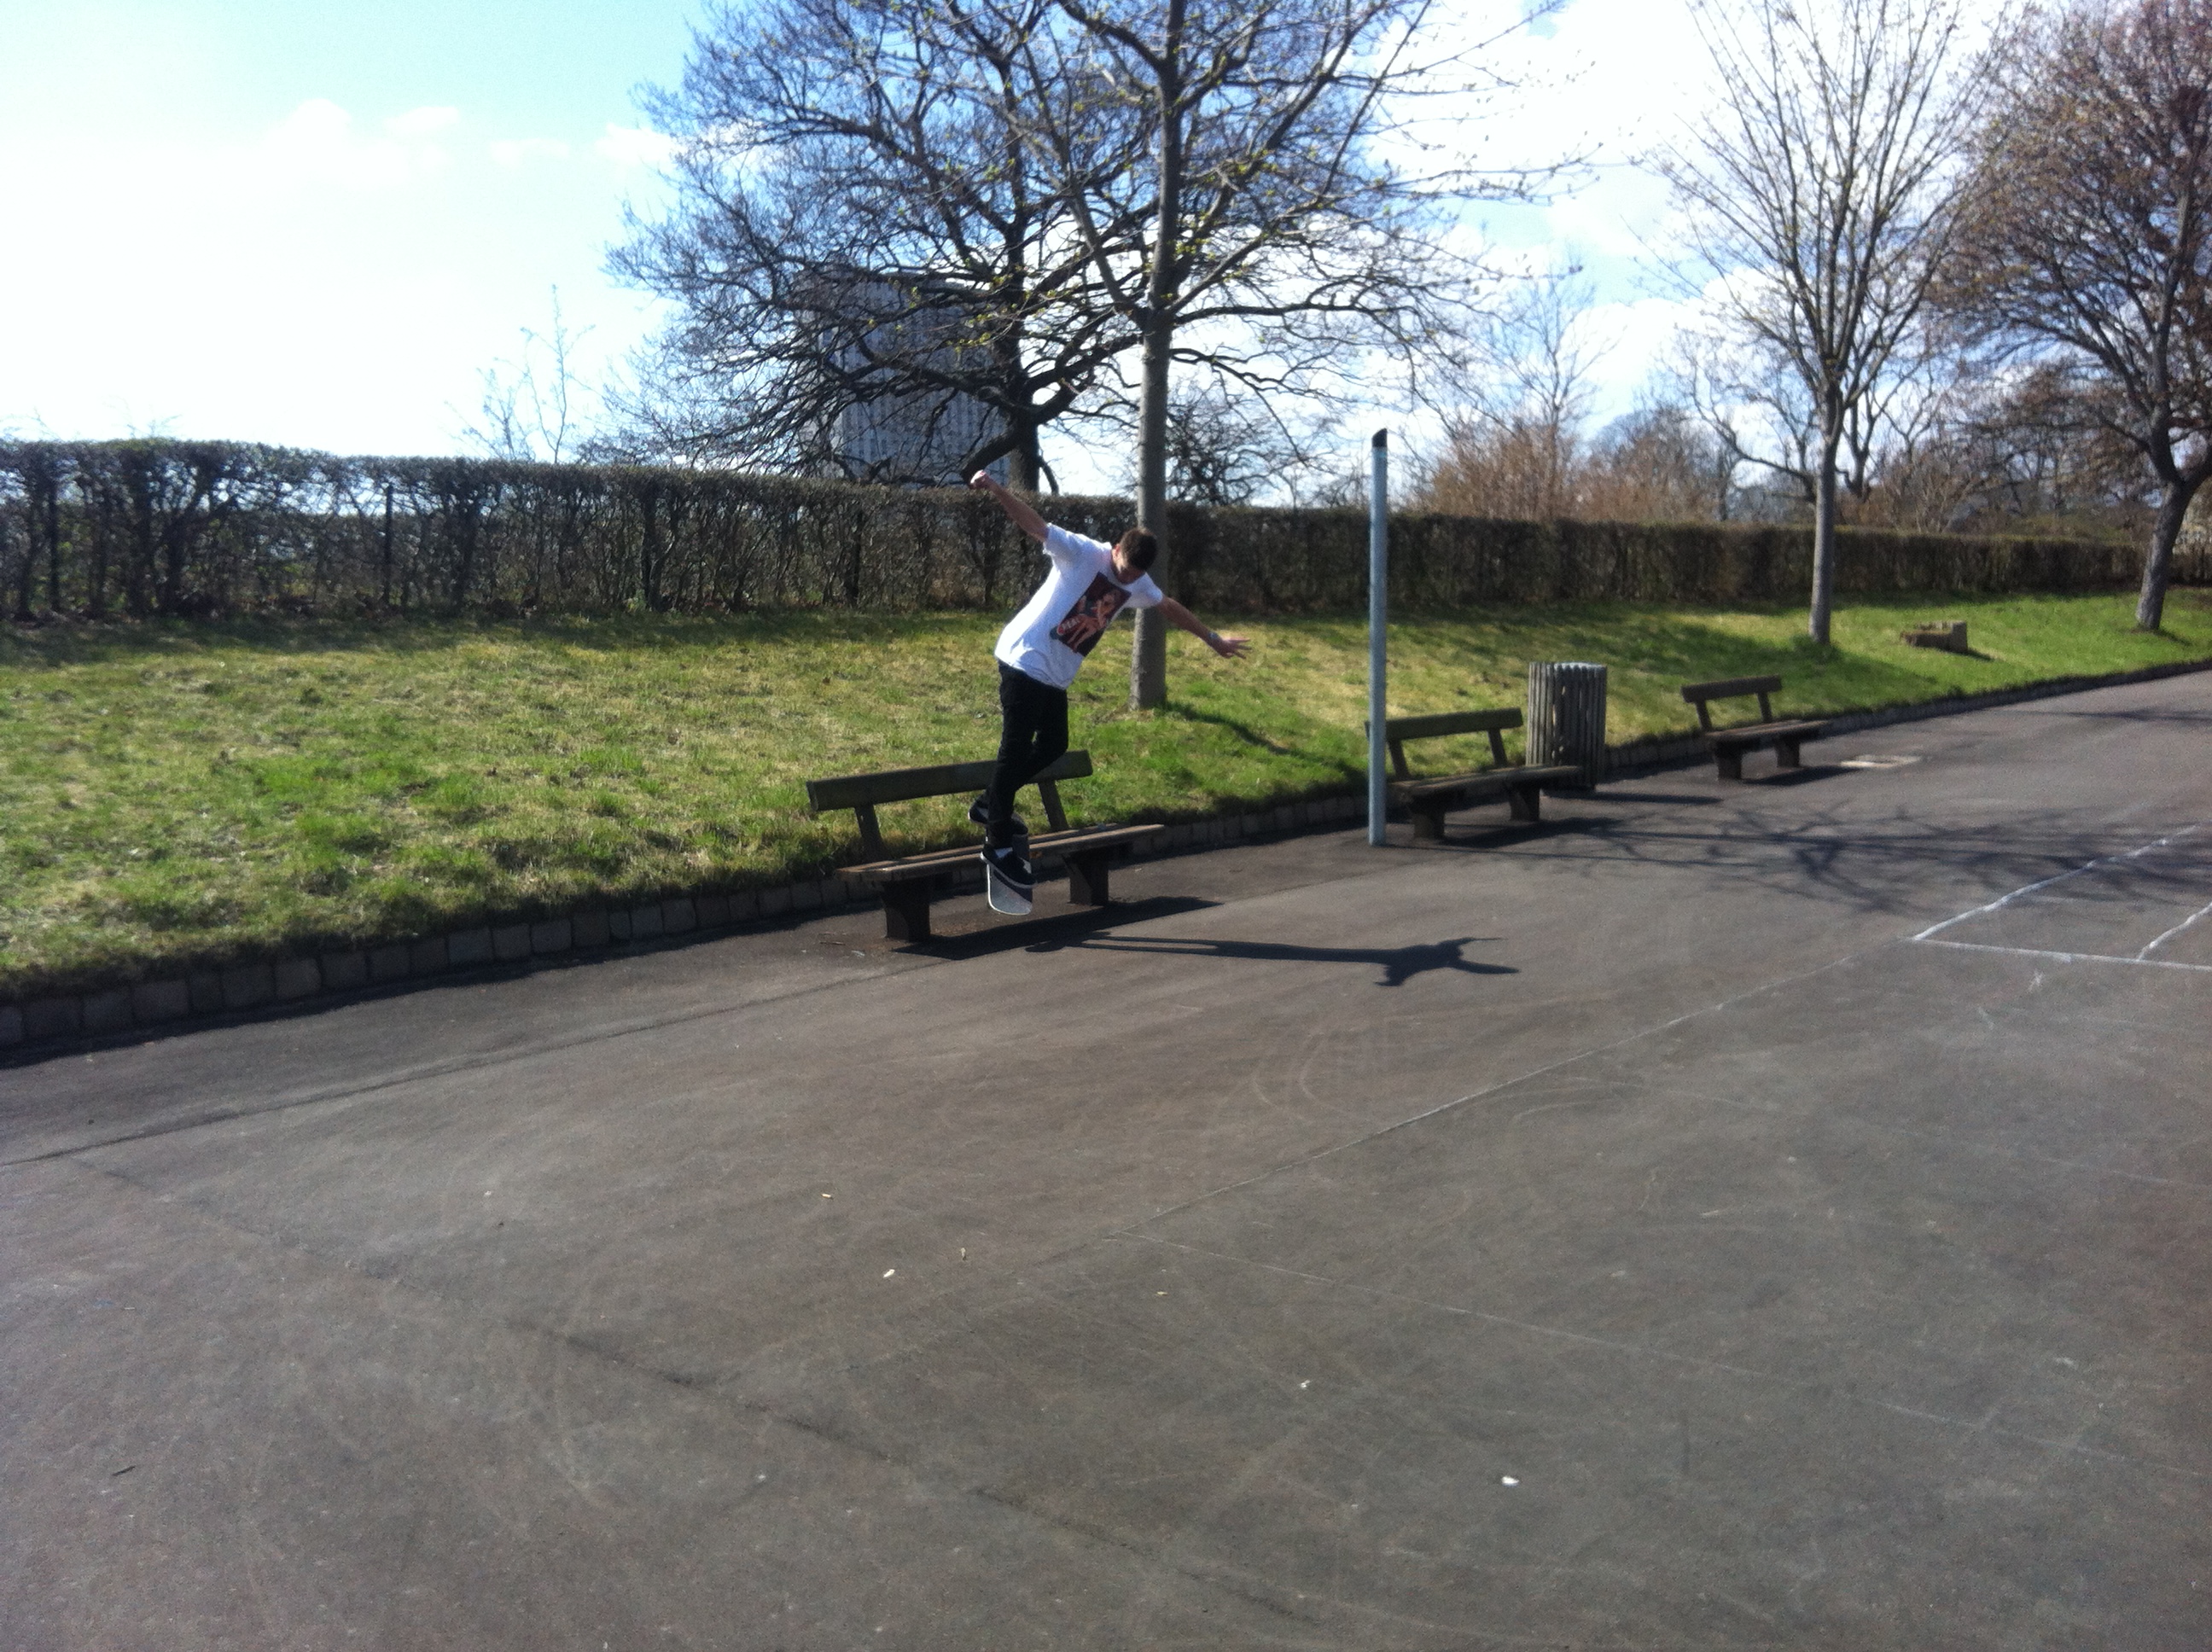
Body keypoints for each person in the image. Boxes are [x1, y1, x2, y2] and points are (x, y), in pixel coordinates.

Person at [968, 468, 1249, 908]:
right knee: (1015, 747)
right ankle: (997, 838)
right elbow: (1035, 524)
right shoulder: (1082, 552)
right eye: (1121, 568)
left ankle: (991, 801)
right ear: (1115, 549)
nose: (1124, 579)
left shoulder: (1138, 581)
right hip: (1024, 659)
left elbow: (1168, 605)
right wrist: (997, 489)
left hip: (1054, 676)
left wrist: (1212, 640)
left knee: (1055, 743)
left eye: (1132, 575)